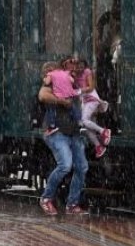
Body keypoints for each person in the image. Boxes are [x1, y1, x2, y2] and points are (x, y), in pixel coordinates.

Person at [37, 61, 89, 216]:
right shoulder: (49, 86)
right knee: (65, 165)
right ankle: (46, 199)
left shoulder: (68, 82)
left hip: (73, 132)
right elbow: (42, 95)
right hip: (57, 133)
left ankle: (72, 204)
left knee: (82, 167)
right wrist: (61, 101)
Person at [72, 57, 112, 159]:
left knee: (85, 121)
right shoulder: (74, 75)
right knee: (85, 126)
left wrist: (80, 90)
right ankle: (98, 147)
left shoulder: (87, 71)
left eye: (82, 66)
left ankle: (104, 131)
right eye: (78, 66)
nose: (80, 68)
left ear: (84, 66)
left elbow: (91, 87)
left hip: (92, 98)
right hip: (84, 101)